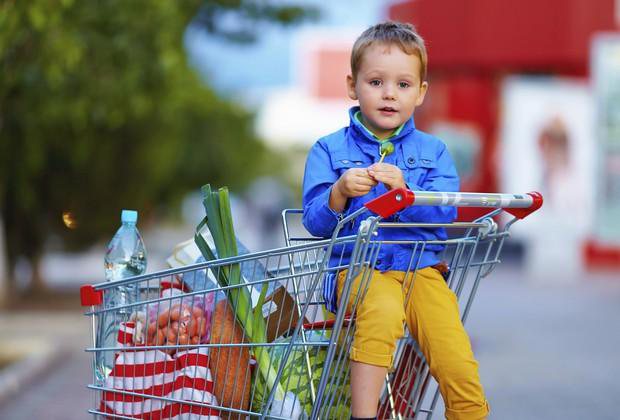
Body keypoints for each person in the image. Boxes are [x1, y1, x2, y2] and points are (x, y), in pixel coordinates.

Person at [301, 21, 490, 420]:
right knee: (382, 311)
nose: (390, 93)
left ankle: (470, 413)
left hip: (422, 269)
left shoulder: (434, 151)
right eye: (376, 82)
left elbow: (446, 211)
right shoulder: (329, 150)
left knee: (451, 346)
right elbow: (314, 223)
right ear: (353, 86)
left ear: (421, 92)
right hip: (357, 269)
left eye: (404, 85)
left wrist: (407, 193)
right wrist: (337, 194)